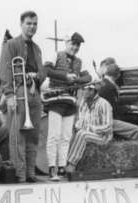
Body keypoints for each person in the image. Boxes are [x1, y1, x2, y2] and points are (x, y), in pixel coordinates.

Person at [0, 11, 46, 183]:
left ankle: (31, 173)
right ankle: (20, 174)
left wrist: (35, 76)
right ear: (21, 24)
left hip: (34, 94)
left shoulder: (37, 48)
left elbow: (42, 72)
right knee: (18, 135)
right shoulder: (11, 44)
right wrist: (9, 94)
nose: (32, 27)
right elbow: (5, 71)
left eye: (35, 24)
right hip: (19, 92)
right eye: (29, 23)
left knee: (33, 135)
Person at [43, 32, 92, 181]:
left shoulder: (79, 61)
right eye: (73, 43)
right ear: (66, 42)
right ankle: (52, 168)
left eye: (77, 45)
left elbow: (88, 77)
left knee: (66, 137)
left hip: (70, 102)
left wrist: (77, 79)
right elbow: (47, 71)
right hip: (56, 101)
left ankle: (62, 166)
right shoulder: (56, 55)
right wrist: (65, 77)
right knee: (54, 136)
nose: (75, 47)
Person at [65, 83, 113, 180]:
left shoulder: (104, 104)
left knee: (83, 134)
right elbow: (80, 121)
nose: (85, 92)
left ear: (94, 91)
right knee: (69, 134)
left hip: (102, 137)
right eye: (84, 89)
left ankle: (71, 164)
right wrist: (77, 126)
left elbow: (108, 126)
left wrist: (92, 129)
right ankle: (61, 164)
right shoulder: (83, 103)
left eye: (89, 90)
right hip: (87, 133)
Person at [98, 63, 138, 141]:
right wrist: (130, 107)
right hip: (105, 121)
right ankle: (132, 152)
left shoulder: (101, 83)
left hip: (98, 119)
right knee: (136, 130)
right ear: (118, 75)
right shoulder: (110, 87)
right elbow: (114, 110)